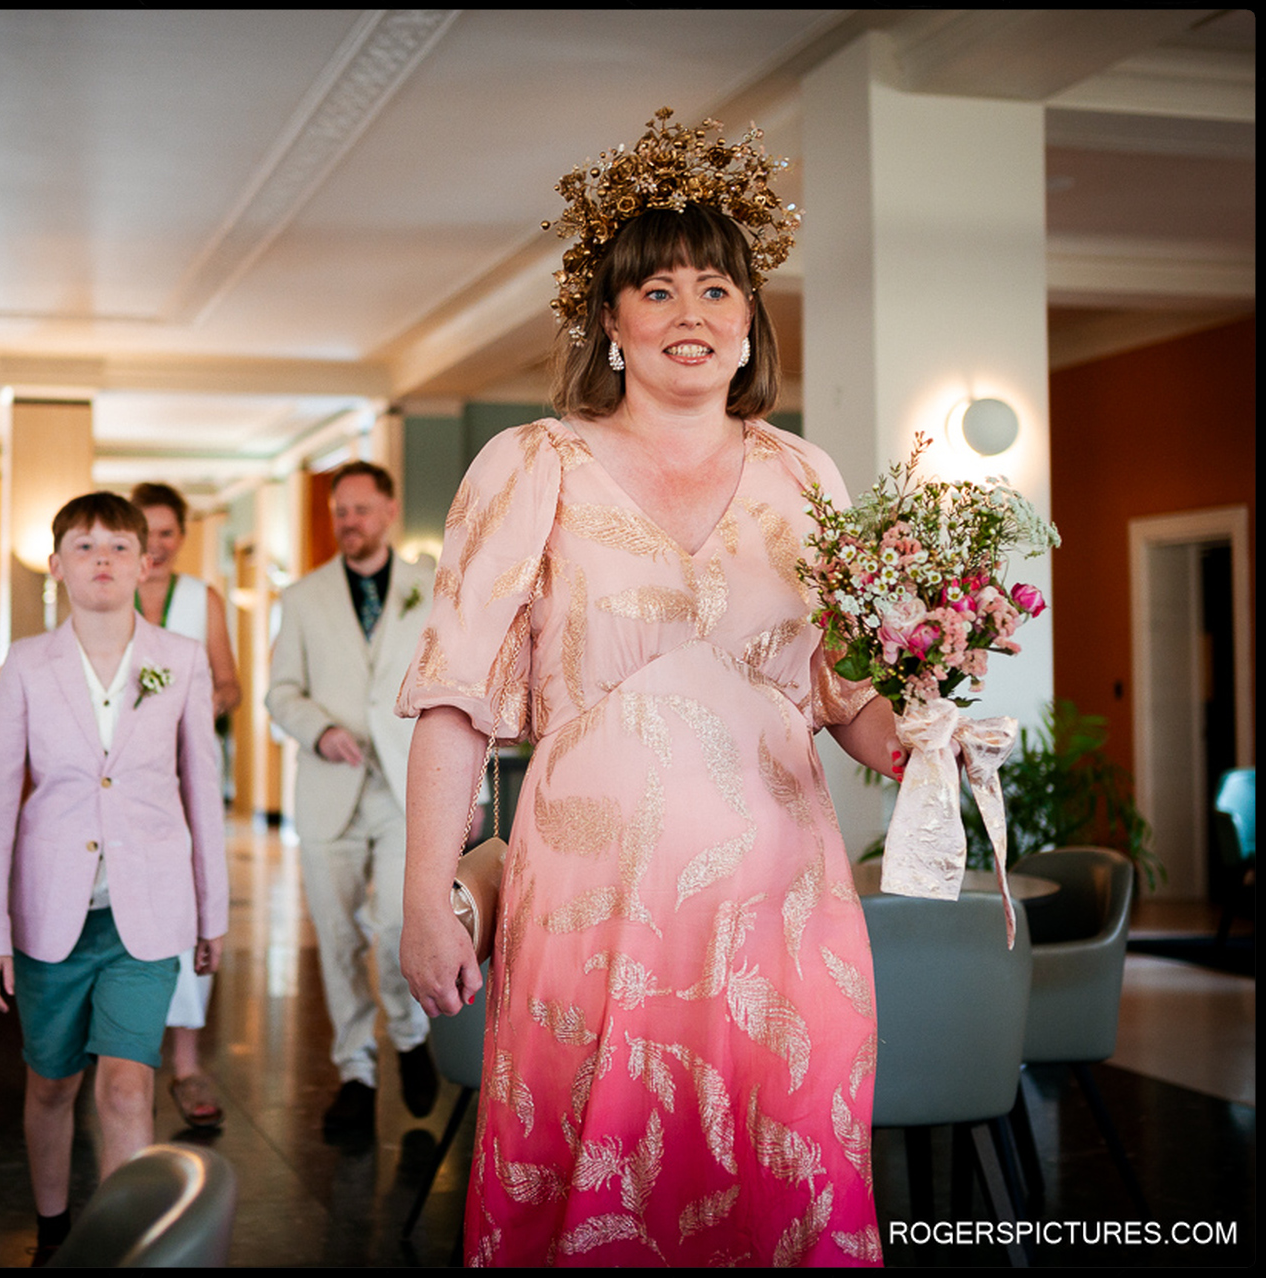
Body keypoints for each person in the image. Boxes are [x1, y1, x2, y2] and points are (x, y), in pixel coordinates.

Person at [397, 112, 901, 1265]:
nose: (692, 316)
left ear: (749, 323)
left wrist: (918, 739)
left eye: (718, 292)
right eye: (660, 292)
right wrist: (430, 893)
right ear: (612, 324)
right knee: (599, 1183)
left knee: (785, 1175)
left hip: (783, 908)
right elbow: (451, 702)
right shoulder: (531, 465)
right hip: (593, 907)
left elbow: (846, 695)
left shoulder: (804, 475)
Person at [0, 491, 228, 1263]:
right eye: (84, 547)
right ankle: (52, 1233)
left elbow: (203, 792)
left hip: (147, 912)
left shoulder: (181, 661)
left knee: (126, 1086)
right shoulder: (25, 662)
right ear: (57, 566)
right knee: (52, 1085)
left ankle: (123, 1247)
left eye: (119, 546)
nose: (104, 559)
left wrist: (213, 915)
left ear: (146, 562)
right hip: (50, 915)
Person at [267, 460, 439, 1135]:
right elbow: (280, 692)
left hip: (406, 789)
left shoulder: (431, 587)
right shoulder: (303, 598)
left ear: (389, 511)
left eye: (361, 510)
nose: (349, 523)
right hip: (330, 786)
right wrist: (322, 730)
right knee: (338, 938)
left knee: (400, 926)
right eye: (341, 512)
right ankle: (356, 1073)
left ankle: (409, 1033)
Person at [129, 481, 241, 1130]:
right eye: (145, 531)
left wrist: (196, 708)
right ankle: (127, 1056)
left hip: (188, 775)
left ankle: (189, 1060)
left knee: (195, 905)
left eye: (168, 531)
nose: (157, 544)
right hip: (124, 783)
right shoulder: (106, 594)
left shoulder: (203, 600)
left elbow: (229, 682)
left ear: (182, 536)